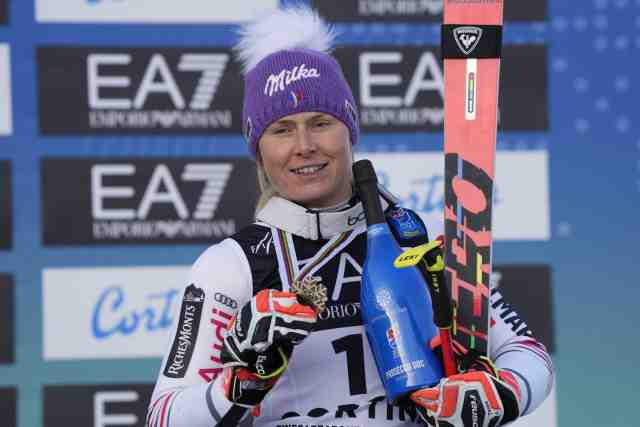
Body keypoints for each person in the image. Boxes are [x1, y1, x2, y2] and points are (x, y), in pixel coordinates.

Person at [146, 6, 554, 427]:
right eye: (282, 129)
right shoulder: (234, 267)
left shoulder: (417, 243)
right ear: (260, 150)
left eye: (320, 122)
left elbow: (529, 355)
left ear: (349, 129)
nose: (304, 145)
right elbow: (165, 415)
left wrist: (498, 393)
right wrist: (239, 381)